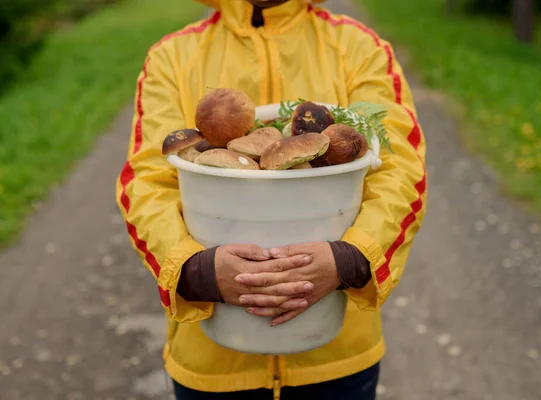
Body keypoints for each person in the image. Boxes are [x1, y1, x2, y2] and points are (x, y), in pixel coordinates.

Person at [115, 0, 427, 399]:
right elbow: (145, 182)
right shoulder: (173, 57)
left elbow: (401, 168)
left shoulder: (357, 47)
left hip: (337, 357)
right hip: (211, 364)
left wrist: (350, 259)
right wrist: (196, 271)